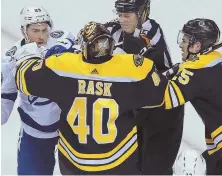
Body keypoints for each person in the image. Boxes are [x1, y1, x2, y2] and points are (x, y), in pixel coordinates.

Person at [13, 21, 169, 175]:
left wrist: (29, 57)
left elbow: (23, 78)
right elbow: (160, 94)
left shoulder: (62, 66)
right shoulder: (129, 68)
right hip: (119, 161)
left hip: (74, 163)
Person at [104, 0, 184, 174]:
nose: (122, 20)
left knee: (155, 167)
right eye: (120, 15)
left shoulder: (151, 31)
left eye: (127, 15)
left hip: (163, 108)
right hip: (139, 103)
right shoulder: (116, 28)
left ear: (142, 14)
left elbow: (132, 60)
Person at [1, 6, 74, 175]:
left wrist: (68, 55)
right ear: (23, 31)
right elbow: (5, 99)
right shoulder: (10, 59)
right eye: (35, 31)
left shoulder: (63, 40)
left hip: (70, 129)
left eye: (44, 30)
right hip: (34, 133)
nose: (41, 36)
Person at [163, 18, 222, 174]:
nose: (181, 45)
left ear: (196, 46)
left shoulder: (195, 69)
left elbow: (165, 99)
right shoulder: (215, 58)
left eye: (185, 40)